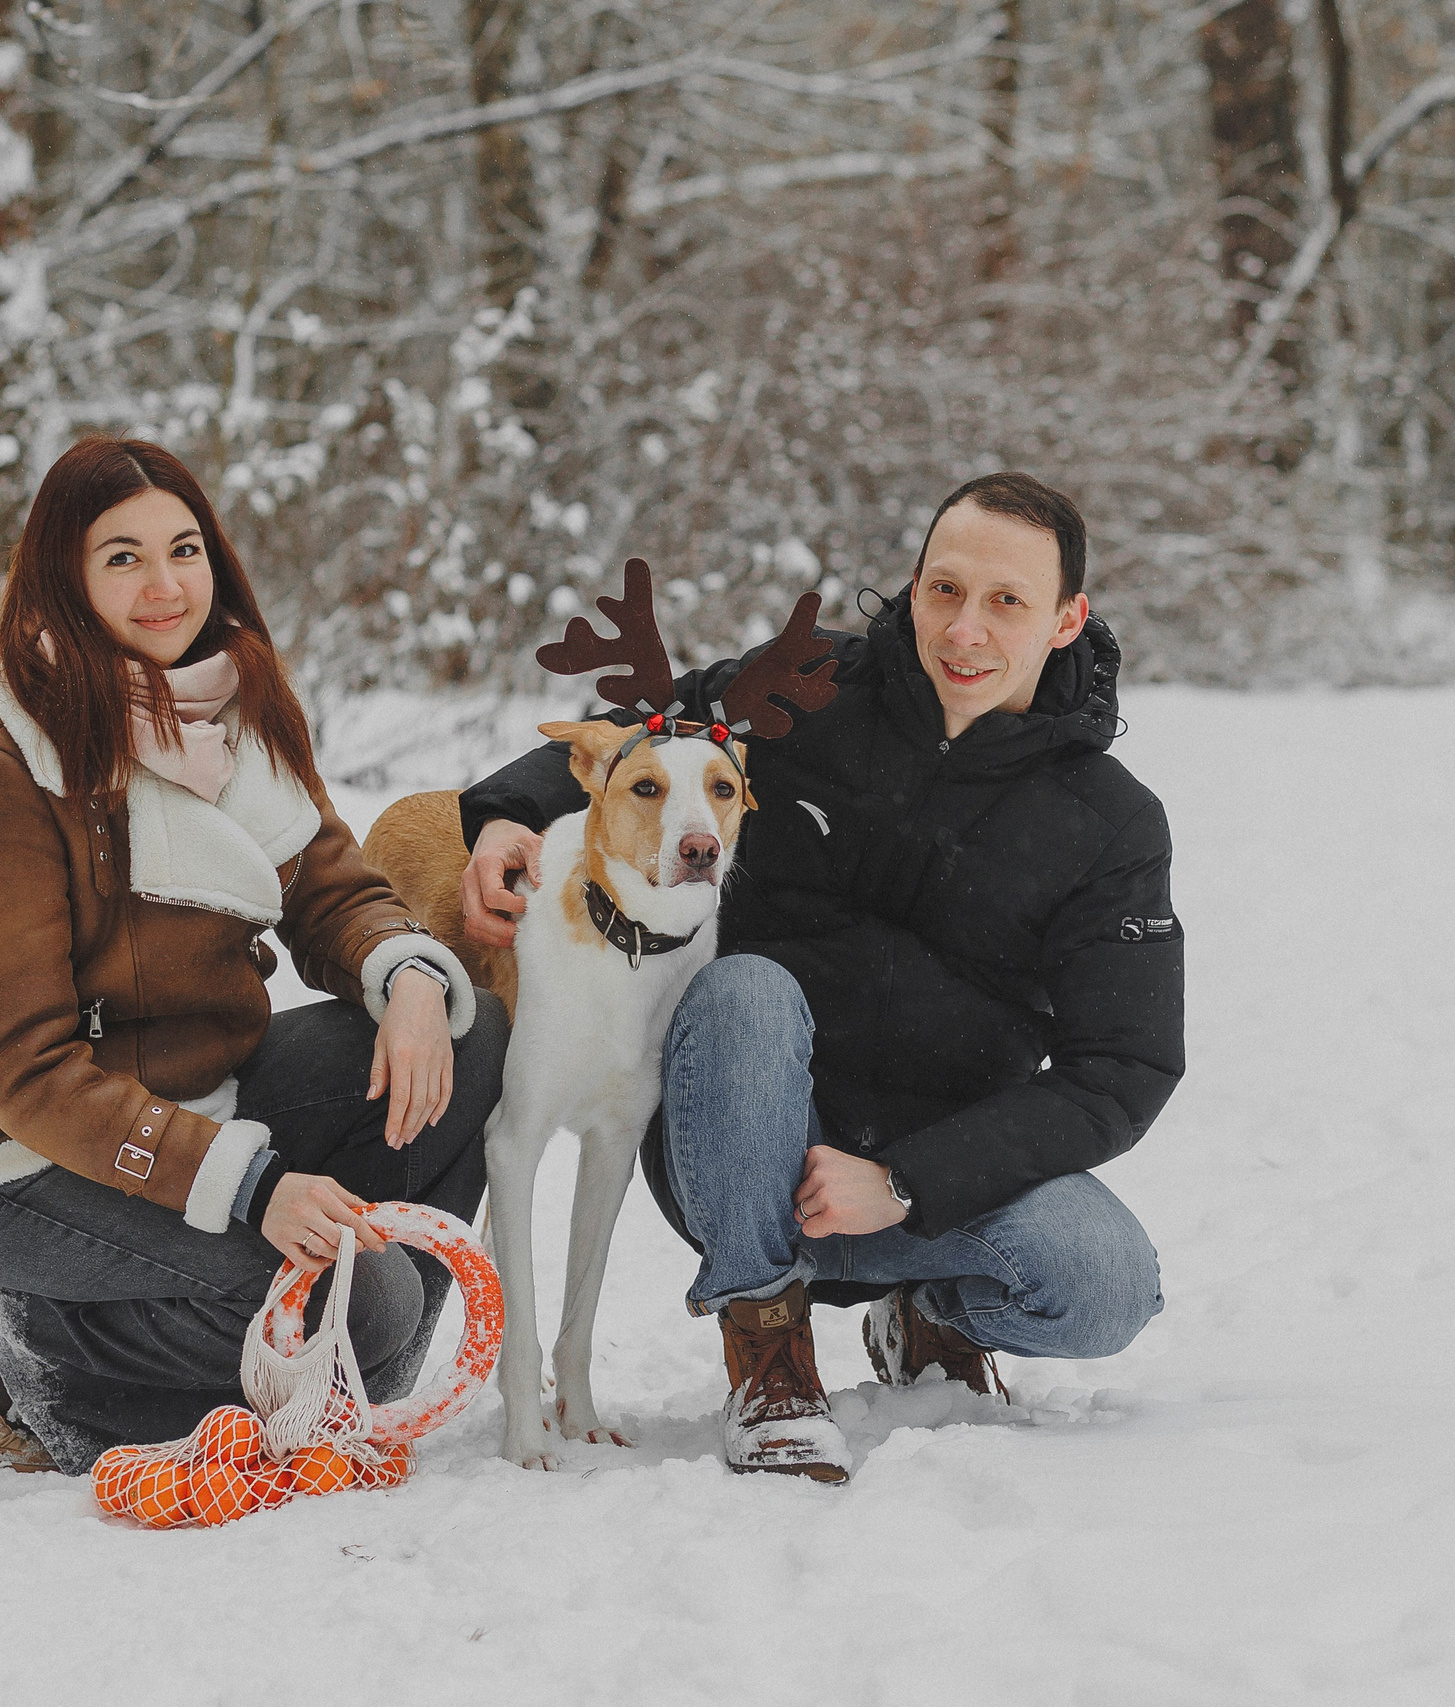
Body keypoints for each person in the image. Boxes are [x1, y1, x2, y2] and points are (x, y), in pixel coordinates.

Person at [457, 474, 1180, 1482]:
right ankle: (767, 1344)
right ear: (914, 586)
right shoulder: (801, 693)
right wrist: (507, 810)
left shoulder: (1108, 823)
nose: (963, 630)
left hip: (932, 1180)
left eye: (1006, 602)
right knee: (745, 985)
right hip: (736, 1143)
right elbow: (646, 728)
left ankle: (932, 1312)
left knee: (1106, 1284)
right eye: (943, 590)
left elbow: (1122, 1069)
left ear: (1067, 619)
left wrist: (909, 1183)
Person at [0, 437, 504, 1475]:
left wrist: (405, 972)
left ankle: (349, 1370)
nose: (165, 584)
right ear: (65, 581)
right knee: (373, 1297)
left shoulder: (230, 708)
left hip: (200, 1094)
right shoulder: (6, 779)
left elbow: (329, 888)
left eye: (183, 548)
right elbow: (23, 1072)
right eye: (122, 558)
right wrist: (255, 1185)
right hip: (26, 1162)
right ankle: (17, 1345)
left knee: (470, 1029)